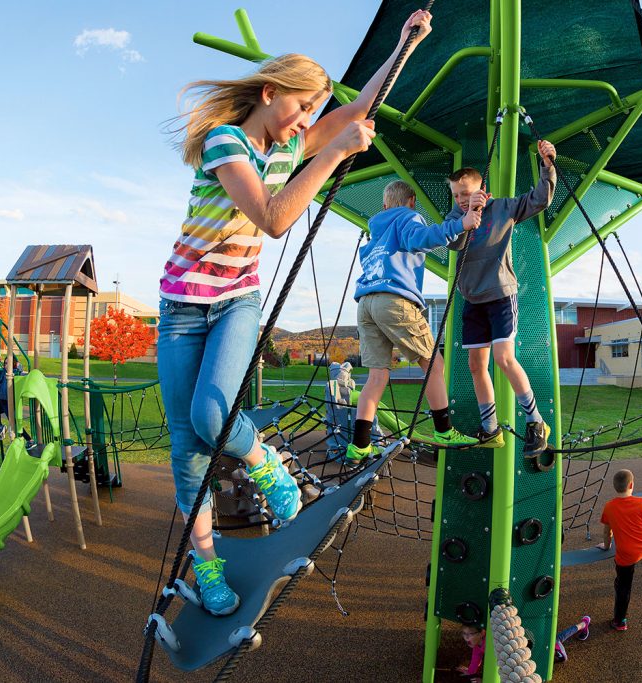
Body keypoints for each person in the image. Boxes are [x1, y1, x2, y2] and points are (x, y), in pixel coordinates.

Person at [156, 9, 434, 617]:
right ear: (269, 93)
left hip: (234, 301)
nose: (307, 123)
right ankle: (208, 567)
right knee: (188, 449)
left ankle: (272, 471)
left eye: (314, 114)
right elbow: (275, 218)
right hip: (180, 309)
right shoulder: (224, 142)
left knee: (211, 415)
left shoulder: (289, 141)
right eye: (302, 108)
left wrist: (403, 46)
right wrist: (330, 152)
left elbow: (359, 106)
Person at [345, 180, 482, 462]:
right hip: (393, 300)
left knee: (377, 376)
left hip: (365, 304)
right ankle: (444, 430)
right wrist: (462, 224)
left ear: (384, 206)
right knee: (434, 364)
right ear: (411, 202)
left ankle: (359, 445)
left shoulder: (375, 232)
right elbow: (422, 237)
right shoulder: (408, 217)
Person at [445, 140, 557, 455]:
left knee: (503, 358)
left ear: (482, 190)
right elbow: (452, 242)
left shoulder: (503, 208)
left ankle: (536, 421)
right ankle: (491, 428)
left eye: (466, 194)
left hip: (499, 294)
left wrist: (547, 164)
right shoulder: (457, 217)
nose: (460, 200)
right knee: (475, 364)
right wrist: (465, 215)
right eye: (456, 195)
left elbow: (540, 199)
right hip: (472, 298)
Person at [596, 469, 642, 632]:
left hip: (626, 556)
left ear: (615, 487)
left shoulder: (609, 507)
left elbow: (607, 532)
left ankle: (620, 621)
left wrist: (606, 546)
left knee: (623, 587)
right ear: (632, 485)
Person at [0, 360, 32, 445]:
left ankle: (29, 440)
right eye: (5, 363)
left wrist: (18, 365)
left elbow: (20, 369)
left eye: (9, 363)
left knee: (14, 423)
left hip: (8, 402)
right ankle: (1, 427)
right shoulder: (2, 372)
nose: (7, 365)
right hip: (1, 401)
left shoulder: (14, 373)